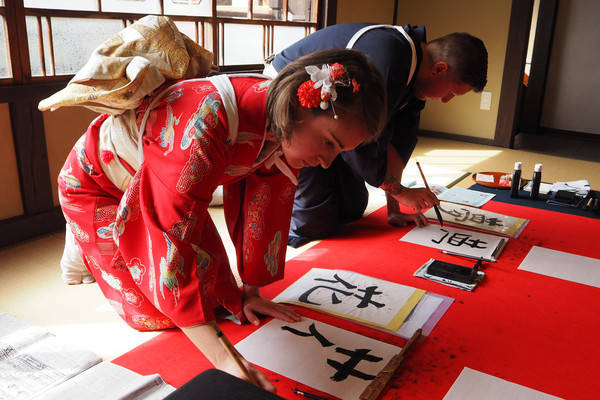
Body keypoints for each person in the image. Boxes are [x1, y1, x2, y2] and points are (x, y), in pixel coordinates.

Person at [50, 46, 386, 392]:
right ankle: (83, 243)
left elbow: (264, 207)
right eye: (329, 143)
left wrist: (250, 291)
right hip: (97, 185)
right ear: (302, 104)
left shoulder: (280, 122)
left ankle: (98, 245)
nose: (328, 162)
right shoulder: (203, 121)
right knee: (156, 315)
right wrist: (227, 360)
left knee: (220, 298)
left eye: (339, 151)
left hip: (166, 186)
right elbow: (168, 237)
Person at [265, 23, 488, 247]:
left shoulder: (416, 81)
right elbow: (358, 136)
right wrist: (399, 191)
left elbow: (398, 145)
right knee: (314, 222)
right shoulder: (390, 56)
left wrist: (394, 206)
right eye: (450, 92)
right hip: (302, 114)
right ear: (439, 69)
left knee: (354, 206)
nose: (445, 100)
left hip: (337, 128)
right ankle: (273, 204)